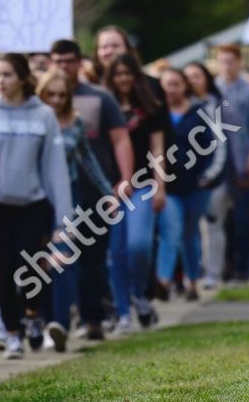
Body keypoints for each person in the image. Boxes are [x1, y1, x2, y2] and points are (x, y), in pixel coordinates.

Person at [0, 53, 71, 358]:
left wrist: (63, 217)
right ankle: (12, 333)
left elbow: (54, 167)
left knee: (33, 264)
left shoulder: (44, 114)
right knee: (5, 270)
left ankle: (33, 314)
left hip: (34, 202)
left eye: (7, 74)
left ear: (22, 78)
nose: (0, 81)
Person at [47, 39, 130, 332]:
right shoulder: (38, 107)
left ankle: (92, 316)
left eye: (68, 60)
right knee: (57, 257)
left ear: (79, 61)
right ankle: (54, 318)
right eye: (57, 61)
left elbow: (100, 151)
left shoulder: (99, 98)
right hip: (45, 196)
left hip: (86, 193)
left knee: (91, 257)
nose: (63, 66)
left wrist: (115, 188)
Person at [34, 69, 113, 340]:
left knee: (63, 257)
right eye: (50, 94)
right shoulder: (33, 120)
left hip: (68, 197)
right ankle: (41, 320)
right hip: (36, 197)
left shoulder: (74, 122)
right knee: (39, 261)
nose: (55, 100)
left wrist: (107, 193)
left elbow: (87, 159)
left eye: (61, 95)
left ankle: (60, 322)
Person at [104, 52, 168, 324]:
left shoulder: (149, 105)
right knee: (116, 250)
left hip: (143, 184)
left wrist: (161, 184)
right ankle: (122, 310)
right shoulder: (104, 104)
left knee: (139, 245)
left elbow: (158, 148)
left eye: (127, 73)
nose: (123, 79)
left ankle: (140, 293)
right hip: (110, 185)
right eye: (118, 73)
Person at [154, 67, 225, 302]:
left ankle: (192, 281)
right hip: (169, 187)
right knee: (170, 232)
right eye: (167, 84)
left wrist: (209, 175)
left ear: (184, 86)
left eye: (176, 84)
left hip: (196, 186)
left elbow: (217, 146)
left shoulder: (202, 112)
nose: (171, 89)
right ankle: (163, 280)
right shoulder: (156, 114)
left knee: (190, 235)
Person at [209, 44, 249, 285]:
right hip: (217, 160)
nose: (227, 66)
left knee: (242, 218)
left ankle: (243, 266)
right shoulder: (212, 90)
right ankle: (223, 265)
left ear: (238, 63)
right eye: (223, 61)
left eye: (231, 61)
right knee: (219, 218)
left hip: (240, 160)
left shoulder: (248, 92)